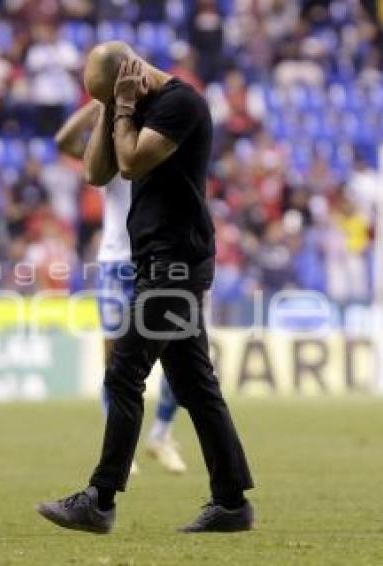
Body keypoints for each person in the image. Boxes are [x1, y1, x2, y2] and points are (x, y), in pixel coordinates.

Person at [36, 41, 254, 534]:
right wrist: (111, 106)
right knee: (197, 385)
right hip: (155, 261)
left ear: (129, 77)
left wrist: (126, 108)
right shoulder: (126, 108)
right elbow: (96, 172)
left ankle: (100, 498)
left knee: (124, 371)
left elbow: (131, 163)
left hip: (176, 263)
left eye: (112, 98)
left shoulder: (182, 103)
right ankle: (232, 502)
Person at [54, 101, 187, 475]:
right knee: (114, 362)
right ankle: (120, 449)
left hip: (158, 264)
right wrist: (97, 106)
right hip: (115, 264)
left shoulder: (163, 153)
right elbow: (64, 140)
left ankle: (160, 435)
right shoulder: (110, 159)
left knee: (181, 358)